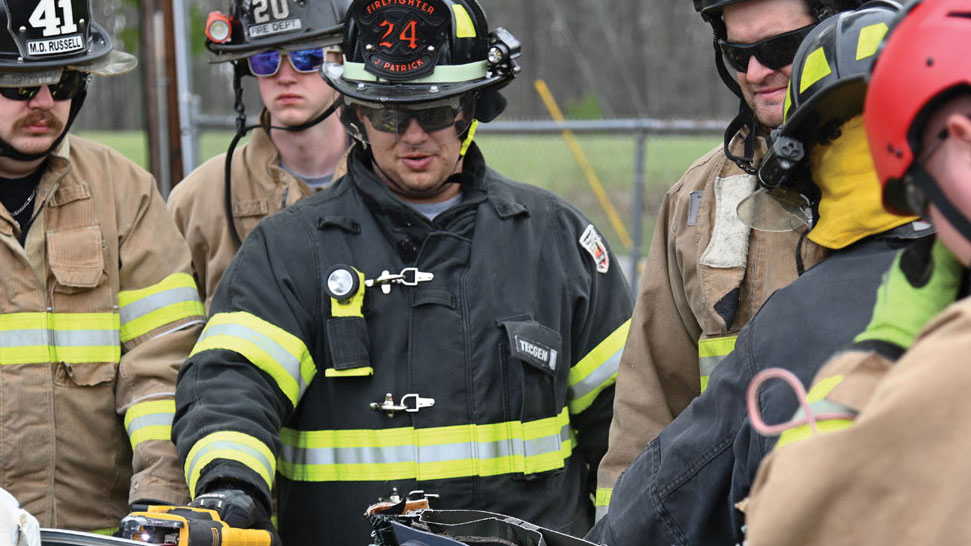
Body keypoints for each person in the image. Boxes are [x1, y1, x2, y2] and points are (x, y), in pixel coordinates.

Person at [172, 0, 633, 544]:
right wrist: (232, 490)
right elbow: (232, 385)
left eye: (436, 112)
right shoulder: (289, 249)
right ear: (356, 114)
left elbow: (628, 421)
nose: (413, 135)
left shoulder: (556, 242)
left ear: (472, 107)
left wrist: (621, 531)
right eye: (390, 115)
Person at [588, 3, 928, 544]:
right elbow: (648, 409)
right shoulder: (697, 202)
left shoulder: (933, 177)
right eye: (736, 53)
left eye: (777, 49)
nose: (754, 73)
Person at [744, 0, 971, 542]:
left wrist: (880, 356)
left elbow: (788, 518)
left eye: (914, 185)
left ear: (960, 139)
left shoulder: (953, 352)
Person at [0, 0, 204, 534]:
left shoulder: (123, 190)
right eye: (20, 84)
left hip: (99, 531)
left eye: (63, 82)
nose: (44, 102)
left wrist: (158, 502)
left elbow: (164, 362)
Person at [167, 0, 351, 310]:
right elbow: (174, 335)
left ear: (342, 60)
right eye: (266, 60)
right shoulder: (197, 199)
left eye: (306, 57)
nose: (285, 76)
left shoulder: (386, 180)